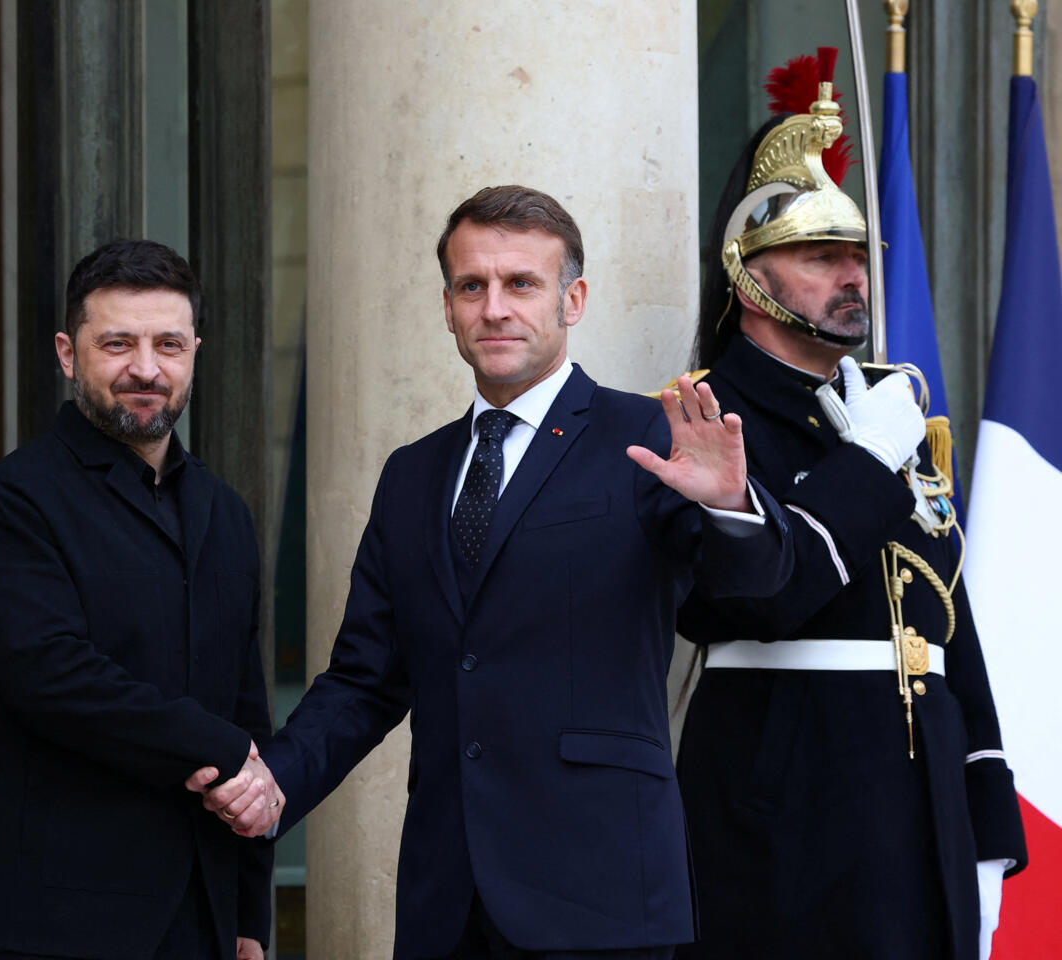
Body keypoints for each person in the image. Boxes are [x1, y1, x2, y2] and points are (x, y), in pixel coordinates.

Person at [188, 185, 795, 959]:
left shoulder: (645, 434)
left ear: (572, 299)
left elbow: (752, 585)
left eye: (521, 284)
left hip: (600, 895)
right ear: (447, 307)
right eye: (472, 286)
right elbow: (365, 677)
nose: (495, 308)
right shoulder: (413, 473)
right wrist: (278, 779)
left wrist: (734, 507)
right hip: (449, 896)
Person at [671, 84, 1028, 960]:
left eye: (858, 255)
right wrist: (866, 464)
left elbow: (947, 623)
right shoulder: (702, 423)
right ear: (750, 278)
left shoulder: (890, 415)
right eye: (820, 256)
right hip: (787, 800)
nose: (853, 276)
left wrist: (987, 826)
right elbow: (760, 598)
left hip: (922, 801)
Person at [0, 239, 279, 960]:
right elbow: (51, 676)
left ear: (195, 351)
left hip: (201, 918)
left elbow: (245, 706)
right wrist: (218, 749)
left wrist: (249, 916)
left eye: (168, 344)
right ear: (69, 354)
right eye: (118, 344)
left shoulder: (226, 513)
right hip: (55, 923)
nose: (146, 369)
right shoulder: (14, 498)